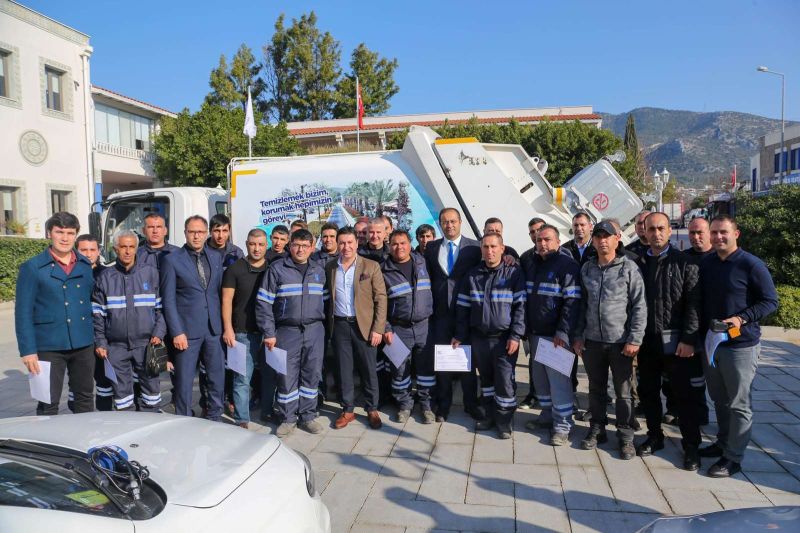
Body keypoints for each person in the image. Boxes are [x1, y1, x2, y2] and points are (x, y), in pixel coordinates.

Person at [698, 215, 778, 478]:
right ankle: (722, 443)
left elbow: (770, 301)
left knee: (739, 404)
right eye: (715, 233)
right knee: (719, 400)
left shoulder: (750, 264)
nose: (718, 237)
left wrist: (742, 318)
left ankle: (734, 458)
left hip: (740, 346)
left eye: (724, 232)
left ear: (736, 234)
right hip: (712, 343)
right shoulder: (708, 263)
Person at [634, 213, 704, 470]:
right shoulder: (637, 263)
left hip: (677, 344)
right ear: (644, 231)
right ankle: (654, 436)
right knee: (648, 392)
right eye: (651, 229)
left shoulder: (684, 263)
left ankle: (691, 445)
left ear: (670, 230)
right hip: (648, 341)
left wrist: (688, 338)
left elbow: (694, 306)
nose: (656, 233)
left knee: (683, 397)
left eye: (661, 228)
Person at [573, 220, 646, 460]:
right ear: (593, 241)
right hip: (592, 341)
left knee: (623, 392)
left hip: (621, 342)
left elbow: (639, 306)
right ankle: (597, 428)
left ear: (617, 240)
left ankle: (625, 436)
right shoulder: (587, 269)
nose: (602, 240)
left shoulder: (629, 268)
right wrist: (578, 335)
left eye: (607, 236)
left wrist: (634, 338)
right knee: (595, 388)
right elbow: (581, 305)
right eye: (598, 237)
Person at [16, 212, 95, 415]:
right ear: (49, 234)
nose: (65, 238)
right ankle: (46, 446)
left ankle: (82, 441)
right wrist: (28, 350)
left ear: (76, 234)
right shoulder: (33, 268)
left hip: (83, 343)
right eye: (59, 232)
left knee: (85, 398)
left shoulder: (85, 265)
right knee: (47, 402)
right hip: (48, 345)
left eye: (70, 233)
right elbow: (23, 312)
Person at [453, 233, 526, 439]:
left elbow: (521, 307)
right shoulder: (473, 275)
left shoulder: (513, 274)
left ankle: (504, 421)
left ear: (503, 249)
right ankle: (489, 416)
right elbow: (463, 308)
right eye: (485, 247)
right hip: (479, 337)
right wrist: (460, 334)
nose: (489, 251)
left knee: (504, 381)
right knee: (485, 380)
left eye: (494, 246)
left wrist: (515, 335)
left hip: (504, 338)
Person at [256, 229, 326, 437]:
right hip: (286, 331)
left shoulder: (318, 270)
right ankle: (288, 418)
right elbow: (263, 303)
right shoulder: (278, 269)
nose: (300, 249)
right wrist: (269, 332)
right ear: (290, 246)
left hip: (314, 330)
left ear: (312, 248)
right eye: (296, 245)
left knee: (312, 374)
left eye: (305, 246)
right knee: (286, 376)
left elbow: (327, 302)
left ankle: (308, 416)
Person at [160, 215, 225, 420]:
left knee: (216, 377)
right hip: (186, 332)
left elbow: (216, 292)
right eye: (192, 232)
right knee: (184, 381)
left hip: (213, 329)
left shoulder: (215, 257)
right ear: (185, 233)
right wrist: (177, 332)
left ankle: (215, 417)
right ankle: (184, 419)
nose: (196, 236)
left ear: (206, 233)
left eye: (200, 232)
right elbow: (168, 300)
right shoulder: (172, 259)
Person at [92, 231, 165, 412]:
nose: (127, 251)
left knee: (151, 393)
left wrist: (159, 332)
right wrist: (100, 342)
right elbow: (97, 314)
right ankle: (128, 429)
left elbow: (161, 309)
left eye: (131, 247)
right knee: (122, 398)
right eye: (123, 247)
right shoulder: (105, 277)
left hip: (147, 345)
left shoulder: (150, 273)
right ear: (115, 249)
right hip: (116, 347)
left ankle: (149, 429)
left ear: (137, 249)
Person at [523, 225, 582, 446]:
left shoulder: (567, 266)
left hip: (556, 338)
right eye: (538, 240)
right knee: (541, 383)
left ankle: (563, 425)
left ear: (558, 242)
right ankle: (548, 415)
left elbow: (572, 301)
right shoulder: (531, 264)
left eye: (547, 239)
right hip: (536, 335)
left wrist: (563, 332)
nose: (542, 244)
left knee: (559, 384)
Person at [325, 227, 387, 430]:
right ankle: (348, 409)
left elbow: (381, 298)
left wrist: (378, 329)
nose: (346, 247)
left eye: (350, 242)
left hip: (365, 326)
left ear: (357, 243)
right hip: (340, 324)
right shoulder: (331, 267)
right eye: (342, 243)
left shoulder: (371, 266)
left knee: (369, 369)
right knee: (344, 369)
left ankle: (372, 408)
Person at [424, 207, 483, 422]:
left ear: (460, 223)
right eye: (445, 222)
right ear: (440, 224)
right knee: (443, 364)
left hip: (466, 314)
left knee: (467, 363)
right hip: (439, 315)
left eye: (453, 221)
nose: (449, 225)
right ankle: (444, 404)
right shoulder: (431, 248)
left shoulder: (475, 248)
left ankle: (470, 404)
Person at [222, 228, 276, 428]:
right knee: (242, 378)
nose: (257, 248)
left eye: (261, 244)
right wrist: (228, 329)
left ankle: (268, 412)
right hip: (242, 333)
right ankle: (242, 419)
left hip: (267, 334)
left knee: (270, 377)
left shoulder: (272, 269)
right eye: (253, 244)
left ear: (266, 245)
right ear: (246, 244)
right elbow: (226, 301)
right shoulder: (234, 270)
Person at [381, 230, 434, 423]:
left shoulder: (423, 263)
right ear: (389, 246)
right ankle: (404, 404)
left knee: (426, 368)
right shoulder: (383, 270)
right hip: (397, 328)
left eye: (403, 243)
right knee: (399, 369)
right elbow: (379, 303)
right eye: (394, 244)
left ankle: (426, 405)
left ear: (409, 244)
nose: (399, 247)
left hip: (424, 326)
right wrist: (386, 328)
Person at [75, 234, 112, 411]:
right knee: (79, 381)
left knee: (103, 379)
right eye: (83, 250)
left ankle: (103, 414)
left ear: (99, 251)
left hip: (102, 336)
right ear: (76, 251)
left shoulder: (107, 274)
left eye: (92, 250)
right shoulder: (71, 274)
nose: (88, 254)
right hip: (79, 336)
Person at [683, 216, 713, 425]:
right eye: (692, 233)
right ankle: (689, 413)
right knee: (691, 377)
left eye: (699, 232)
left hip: (715, 329)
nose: (695, 237)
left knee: (713, 381)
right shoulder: (683, 258)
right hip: (690, 329)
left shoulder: (718, 258)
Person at [518, 217, 545, 410]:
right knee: (534, 361)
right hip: (532, 320)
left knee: (559, 365)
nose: (536, 234)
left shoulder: (562, 256)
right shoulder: (526, 258)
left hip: (553, 323)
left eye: (540, 230)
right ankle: (533, 394)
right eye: (532, 232)